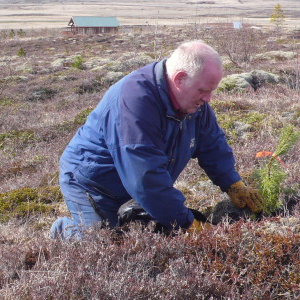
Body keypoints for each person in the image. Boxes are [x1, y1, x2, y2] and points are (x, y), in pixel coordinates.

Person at [50, 40, 263, 240]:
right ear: (179, 78)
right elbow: (145, 178)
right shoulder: (135, 103)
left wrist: (233, 184)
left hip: (135, 183)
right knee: (101, 245)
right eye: (203, 90)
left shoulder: (193, 102)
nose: (208, 99)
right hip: (94, 183)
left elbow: (212, 145)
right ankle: (63, 230)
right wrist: (188, 224)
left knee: (147, 237)